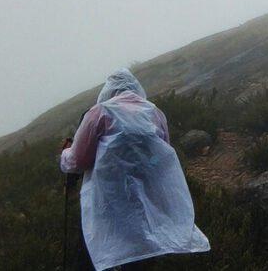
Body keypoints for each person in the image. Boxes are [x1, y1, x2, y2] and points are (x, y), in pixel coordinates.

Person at [59, 69, 210, 271]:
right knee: (140, 247)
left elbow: (79, 160)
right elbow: (161, 156)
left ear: (109, 91)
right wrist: (144, 164)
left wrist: (65, 153)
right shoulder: (155, 114)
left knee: (100, 245)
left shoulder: (99, 113)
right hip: (144, 194)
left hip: (107, 195)